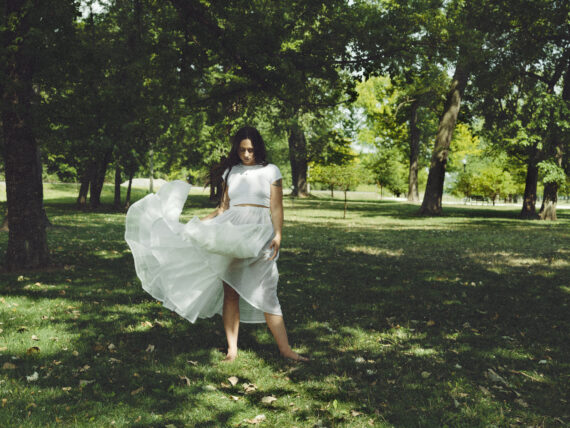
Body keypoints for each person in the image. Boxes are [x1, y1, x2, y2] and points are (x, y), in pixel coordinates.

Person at [125, 126, 307, 362]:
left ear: (258, 148)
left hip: (260, 231)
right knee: (229, 289)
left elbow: (276, 207)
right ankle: (232, 349)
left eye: (251, 150)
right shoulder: (231, 172)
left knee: (267, 288)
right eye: (242, 150)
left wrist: (278, 234)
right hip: (231, 229)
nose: (247, 154)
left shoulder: (271, 171)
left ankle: (285, 349)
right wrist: (197, 225)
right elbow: (223, 208)